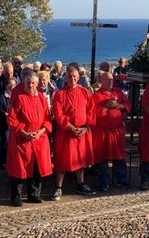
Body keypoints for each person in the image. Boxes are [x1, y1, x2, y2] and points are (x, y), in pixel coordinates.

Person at [51, 63, 95, 200]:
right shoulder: (59, 94)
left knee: (80, 160)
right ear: (66, 77)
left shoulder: (85, 92)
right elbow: (59, 115)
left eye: (75, 76)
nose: (73, 79)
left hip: (81, 132)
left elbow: (91, 111)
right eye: (70, 76)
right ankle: (58, 187)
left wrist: (85, 128)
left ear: (78, 76)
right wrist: (71, 127)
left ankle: (81, 183)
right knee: (62, 160)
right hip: (66, 132)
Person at [7, 74, 52, 206]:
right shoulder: (19, 98)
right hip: (22, 138)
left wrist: (42, 131)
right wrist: (23, 132)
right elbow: (12, 119)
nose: (30, 85)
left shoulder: (42, 98)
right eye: (27, 83)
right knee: (19, 169)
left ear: (37, 84)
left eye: (32, 83)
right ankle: (16, 196)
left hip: (39, 138)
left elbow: (47, 119)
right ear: (24, 84)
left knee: (37, 167)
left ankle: (34, 194)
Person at [91, 72, 130, 190]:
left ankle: (121, 180)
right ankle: (104, 182)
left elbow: (127, 105)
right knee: (102, 158)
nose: (110, 82)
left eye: (112, 80)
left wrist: (118, 106)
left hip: (117, 130)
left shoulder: (118, 92)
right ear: (101, 81)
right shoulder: (96, 95)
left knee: (119, 157)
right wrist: (107, 106)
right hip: (102, 131)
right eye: (107, 80)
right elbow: (93, 113)